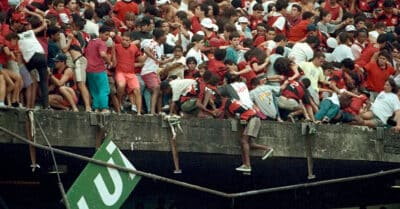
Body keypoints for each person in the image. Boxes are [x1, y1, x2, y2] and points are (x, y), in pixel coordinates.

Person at [85, 25, 113, 113]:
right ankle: (104, 108)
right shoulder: (101, 43)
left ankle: (96, 108)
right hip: (99, 69)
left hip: (89, 70)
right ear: (100, 33)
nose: (107, 37)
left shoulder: (90, 42)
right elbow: (103, 54)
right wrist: (109, 62)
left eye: (108, 35)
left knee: (94, 91)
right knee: (104, 89)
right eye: (106, 34)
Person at [114, 32, 142, 115]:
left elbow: (139, 59)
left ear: (130, 41)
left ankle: (139, 112)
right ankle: (119, 102)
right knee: (121, 85)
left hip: (131, 73)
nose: (124, 41)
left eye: (127, 40)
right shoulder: (117, 47)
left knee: (137, 90)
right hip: (120, 72)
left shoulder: (134, 48)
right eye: (123, 39)